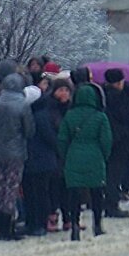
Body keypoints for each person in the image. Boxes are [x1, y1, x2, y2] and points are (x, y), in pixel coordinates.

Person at [58, 85, 112, 241]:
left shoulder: (69, 115)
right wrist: (103, 156)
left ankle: (75, 226)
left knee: (74, 195)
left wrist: (66, 155)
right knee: (96, 194)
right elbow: (106, 141)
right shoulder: (100, 117)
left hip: (74, 156)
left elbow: (62, 139)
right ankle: (97, 225)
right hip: (95, 156)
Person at [0, 73, 35, 241]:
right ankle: (7, 225)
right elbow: (29, 130)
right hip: (16, 151)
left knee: (0, 186)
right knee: (12, 187)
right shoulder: (23, 105)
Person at [22, 86, 57, 237]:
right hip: (38, 159)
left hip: (40, 159)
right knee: (33, 193)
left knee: (38, 193)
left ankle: (39, 223)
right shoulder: (39, 112)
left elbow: (49, 137)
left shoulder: (38, 115)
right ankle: (33, 223)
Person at [103, 68, 129, 218]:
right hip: (119, 141)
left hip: (105, 140)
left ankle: (106, 203)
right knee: (114, 176)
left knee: (108, 174)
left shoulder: (102, 97)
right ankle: (112, 205)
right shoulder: (121, 99)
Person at [46, 79, 74, 232]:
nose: (64, 93)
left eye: (66, 90)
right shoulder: (50, 108)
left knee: (67, 186)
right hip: (55, 151)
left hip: (69, 152)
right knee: (54, 186)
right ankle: (52, 215)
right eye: (60, 90)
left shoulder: (71, 109)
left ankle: (68, 217)